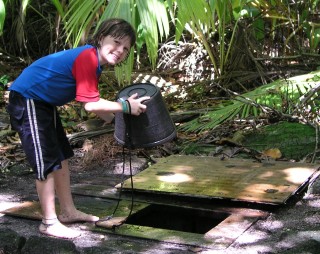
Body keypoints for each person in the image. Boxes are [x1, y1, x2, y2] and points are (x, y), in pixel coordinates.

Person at [6, 18, 149, 239]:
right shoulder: (87, 58)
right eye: (117, 42)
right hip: (27, 99)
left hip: (43, 103)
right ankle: (49, 222)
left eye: (126, 48)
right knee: (45, 161)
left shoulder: (95, 64)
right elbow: (91, 105)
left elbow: (97, 106)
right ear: (101, 38)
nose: (120, 50)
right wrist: (125, 106)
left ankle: (68, 212)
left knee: (61, 156)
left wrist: (119, 123)